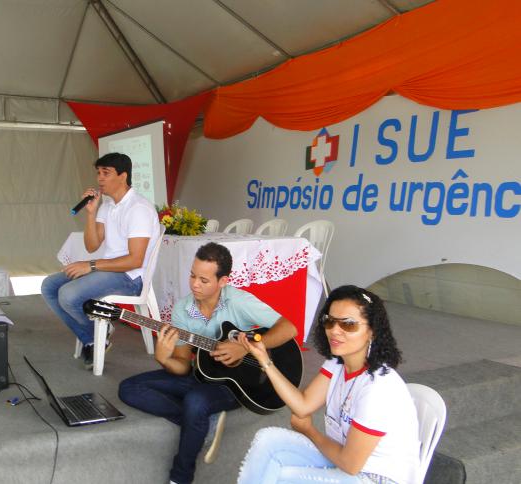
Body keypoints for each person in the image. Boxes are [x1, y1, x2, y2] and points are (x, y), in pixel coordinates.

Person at [118, 242, 298, 484]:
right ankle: (199, 423)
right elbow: (183, 365)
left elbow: (289, 328)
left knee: (196, 400)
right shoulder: (183, 309)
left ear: (223, 281)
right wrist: (164, 358)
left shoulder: (239, 301)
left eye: (204, 280)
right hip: (202, 374)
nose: (195, 284)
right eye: (192, 276)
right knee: (129, 388)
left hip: (240, 384)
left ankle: (180, 478)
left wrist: (245, 347)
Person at [237, 285, 420, 484]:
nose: (334, 330)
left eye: (348, 324)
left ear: (372, 332)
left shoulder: (378, 388)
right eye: (329, 321)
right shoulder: (338, 363)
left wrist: (310, 431)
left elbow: (350, 464)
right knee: (267, 440)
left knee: (282, 477)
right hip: (342, 462)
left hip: (377, 478)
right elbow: (303, 405)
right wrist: (264, 360)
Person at [41, 152, 160, 370]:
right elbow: (91, 246)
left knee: (68, 295)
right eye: (98, 173)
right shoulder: (107, 206)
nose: (100, 179)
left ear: (123, 176)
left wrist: (91, 265)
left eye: (106, 173)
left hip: (130, 277)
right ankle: (94, 338)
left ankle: (94, 337)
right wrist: (90, 213)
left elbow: (135, 260)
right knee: (49, 286)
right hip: (109, 270)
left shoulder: (138, 209)